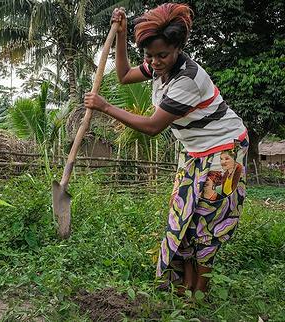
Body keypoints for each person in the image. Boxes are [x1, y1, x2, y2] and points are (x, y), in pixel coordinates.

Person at [83, 3, 249, 295]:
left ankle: (200, 293)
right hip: (194, 151)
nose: (155, 62)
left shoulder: (188, 79)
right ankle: (182, 288)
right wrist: (121, 35)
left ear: (178, 48)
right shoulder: (158, 66)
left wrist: (105, 106)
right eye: (149, 56)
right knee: (182, 217)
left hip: (225, 149)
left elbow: (152, 126)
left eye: (162, 55)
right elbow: (123, 75)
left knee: (206, 224)